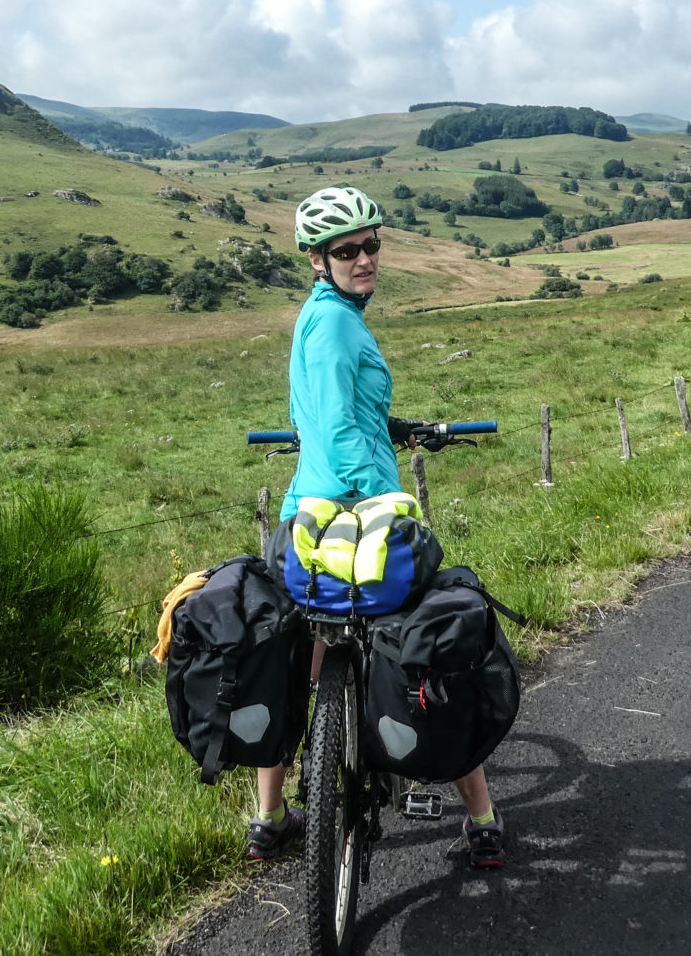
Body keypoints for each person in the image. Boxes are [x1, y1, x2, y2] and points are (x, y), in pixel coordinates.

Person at [246, 185, 506, 869]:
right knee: (433, 633)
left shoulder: (319, 316)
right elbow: (334, 424)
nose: (365, 259)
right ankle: (480, 816)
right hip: (351, 510)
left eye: (372, 244)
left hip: (304, 513)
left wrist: (397, 427)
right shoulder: (334, 325)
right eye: (347, 250)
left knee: (296, 647)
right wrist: (380, 502)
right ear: (315, 258)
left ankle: (268, 817)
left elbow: (337, 411)